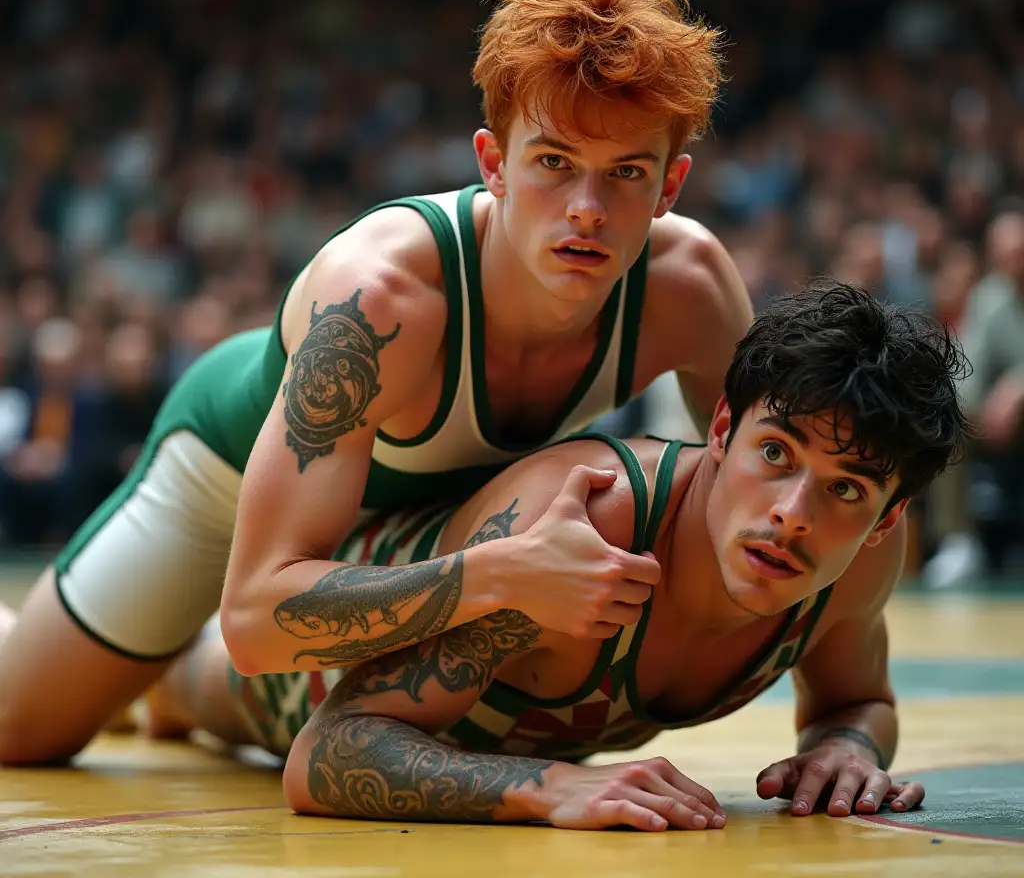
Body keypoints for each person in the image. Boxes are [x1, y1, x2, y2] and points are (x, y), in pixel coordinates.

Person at [0, 0, 754, 764]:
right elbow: (256, 620)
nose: (586, 210)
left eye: (626, 173)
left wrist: (843, 721)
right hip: (224, 481)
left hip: (430, 516)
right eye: (553, 163)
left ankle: (176, 671)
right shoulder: (381, 296)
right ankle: (80, 642)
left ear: (670, 186)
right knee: (20, 731)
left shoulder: (690, 286)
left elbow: (775, 479)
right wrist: (504, 575)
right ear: (493, 164)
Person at [142, 282, 969, 832]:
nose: (793, 517)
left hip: (475, 709)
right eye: (777, 455)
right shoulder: (587, 519)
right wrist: (546, 786)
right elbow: (325, 755)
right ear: (721, 429)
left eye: (847, 490)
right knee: (182, 680)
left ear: (889, 517)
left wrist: (846, 748)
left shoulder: (858, 563)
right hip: (319, 647)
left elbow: (858, 701)